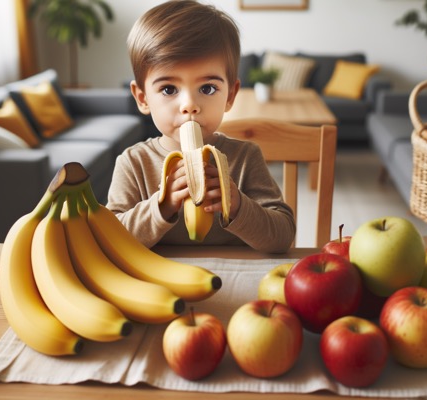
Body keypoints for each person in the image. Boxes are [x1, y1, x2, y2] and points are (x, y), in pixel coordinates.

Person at [106, 0, 295, 253]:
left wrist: (238, 204)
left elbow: (282, 236)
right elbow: (109, 239)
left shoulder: (245, 158)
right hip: (155, 285)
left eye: (207, 88)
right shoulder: (133, 163)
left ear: (230, 95)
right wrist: (161, 207)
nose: (189, 105)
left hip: (235, 281)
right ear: (142, 98)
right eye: (168, 89)